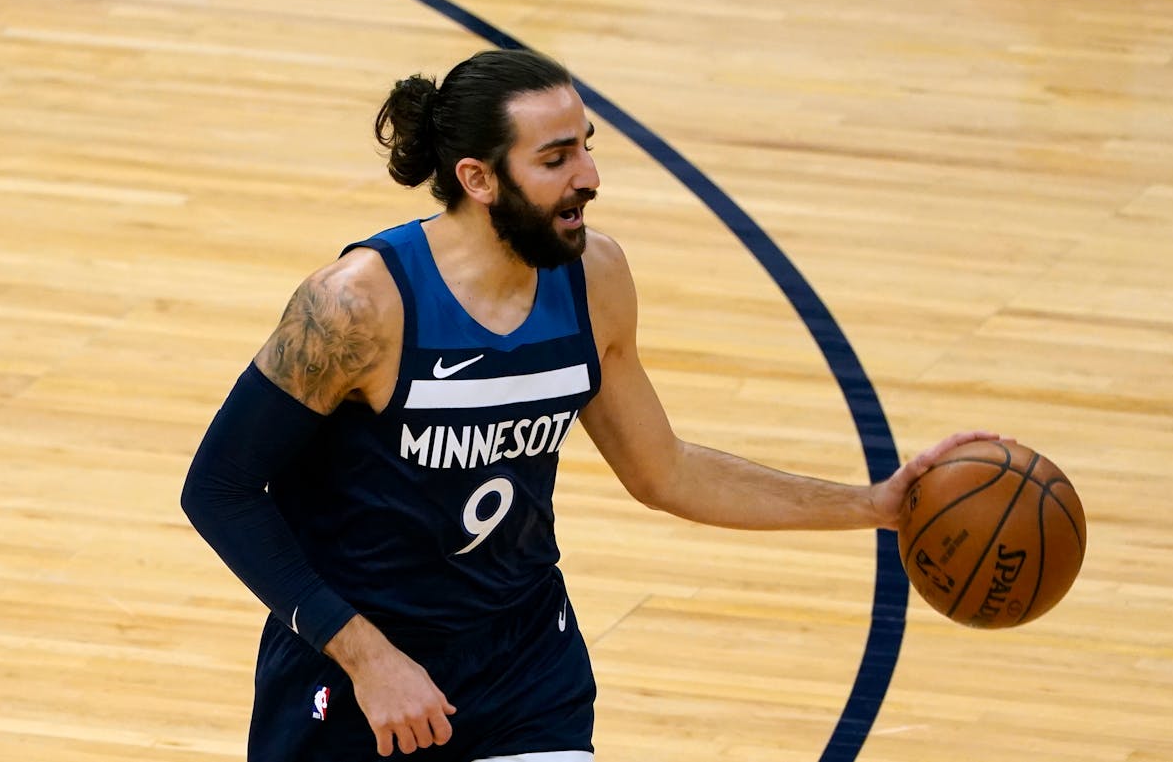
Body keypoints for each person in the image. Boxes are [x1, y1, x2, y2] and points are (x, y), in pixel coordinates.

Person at [181, 48, 994, 762]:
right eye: (557, 158)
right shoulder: (360, 305)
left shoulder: (594, 279)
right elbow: (217, 488)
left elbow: (665, 469)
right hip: (358, 667)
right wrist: (367, 658)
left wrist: (876, 507)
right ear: (480, 178)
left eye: (588, 151)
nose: (590, 179)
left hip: (523, 660)